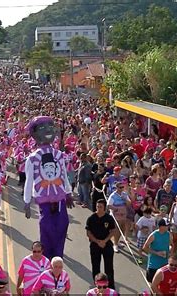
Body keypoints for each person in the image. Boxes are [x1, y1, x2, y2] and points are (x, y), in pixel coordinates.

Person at [23, 116, 74, 260]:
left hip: (60, 201)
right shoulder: (32, 158)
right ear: (34, 133)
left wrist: (68, 193)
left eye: (50, 126)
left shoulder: (59, 155)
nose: (48, 130)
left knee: (62, 227)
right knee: (47, 230)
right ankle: (46, 261)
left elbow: (64, 174)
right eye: (42, 127)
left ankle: (58, 258)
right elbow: (29, 181)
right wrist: (27, 202)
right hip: (44, 203)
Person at [86, 198, 116, 289]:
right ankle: (98, 286)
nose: (98, 208)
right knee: (95, 266)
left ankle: (110, 287)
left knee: (109, 267)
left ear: (104, 208)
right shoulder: (91, 218)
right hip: (95, 244)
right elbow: (88, 233)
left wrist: (105, 241)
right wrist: (97, 241)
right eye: (97, 206)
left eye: (100, 207)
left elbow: (113, 231)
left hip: (106, 244)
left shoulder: (109, 218)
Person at [143, 218, 171, 283]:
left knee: (162, 284)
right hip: (153, 265)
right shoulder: (153, 235)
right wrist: (157, 253)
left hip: (164, 264)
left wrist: (170, 251)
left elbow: (171, 244)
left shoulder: (168, 234)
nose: (168, 227)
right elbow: (145, 247)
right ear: (161, 226)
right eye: (166, 226)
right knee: (152, 284)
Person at [106, 181, 130, 252]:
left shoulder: (124, 194)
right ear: (116, 188)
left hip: (123, 214)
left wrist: (125, 199)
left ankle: (117, 241)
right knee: (116, 230)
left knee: (122, 229)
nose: (122, 188)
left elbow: (129, 203)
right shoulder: (113, 195)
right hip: (116, 215)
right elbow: (108, 206)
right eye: (120, 187)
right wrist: (116, 209)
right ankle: (115, 245)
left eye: (122, 187)